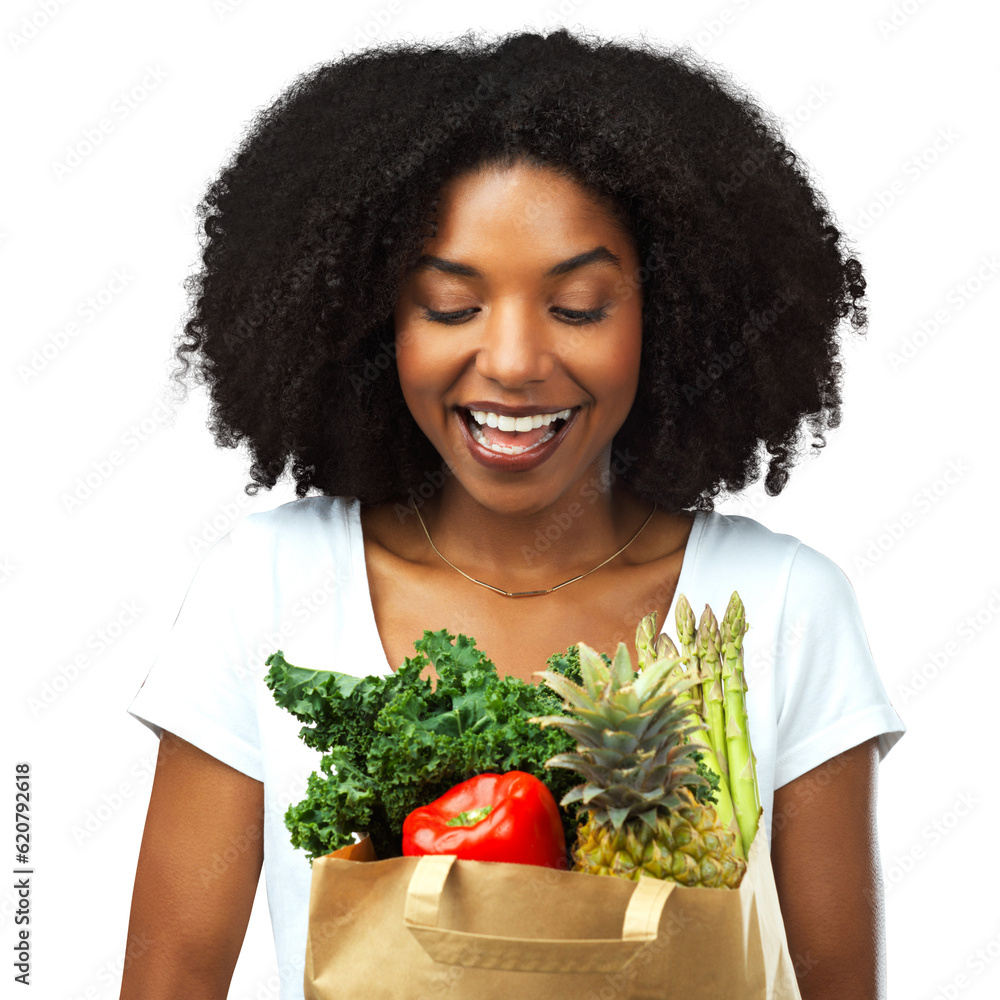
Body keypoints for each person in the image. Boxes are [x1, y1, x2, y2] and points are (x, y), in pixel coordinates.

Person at [119, 27, 905, 1000]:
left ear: (667, 315)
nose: (516, 360)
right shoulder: (267, 586)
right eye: (451, 306)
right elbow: (171, 985)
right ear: (370, 321)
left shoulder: (785, 604)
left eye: (578, 305)